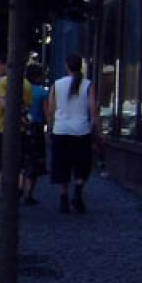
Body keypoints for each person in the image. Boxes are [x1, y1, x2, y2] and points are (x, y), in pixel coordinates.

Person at [47, 52, 100, 213]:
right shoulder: (88, 85)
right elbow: (93, 109)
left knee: (61, 164)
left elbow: (51, 109)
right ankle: (77, 192)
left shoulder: (57, 85)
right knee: (81, 164)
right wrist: (97, 129)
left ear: (66, 66)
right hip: (81, 131)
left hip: (61, 130)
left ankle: (63, 197)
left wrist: (50, 127)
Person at [0, 56, 32, 191]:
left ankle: (9, 192)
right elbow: (28, 106)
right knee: (19, 165)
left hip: (1, 128)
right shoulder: (27, 84)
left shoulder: (3, 82)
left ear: (7, 65)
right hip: (21, 129)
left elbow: (3, 104)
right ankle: (17, 191)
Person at [21, 64, 49, 205]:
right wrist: (49, 127)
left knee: (22, 160)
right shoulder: (42, 93)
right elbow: (46, 113)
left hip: (22, 126)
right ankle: (29, 193)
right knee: (35, 161)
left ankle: (20, 187)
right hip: (36, 128)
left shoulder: (22, 89)